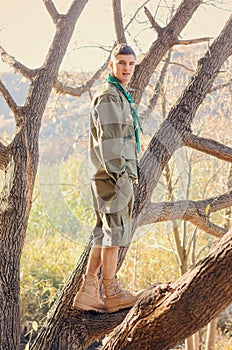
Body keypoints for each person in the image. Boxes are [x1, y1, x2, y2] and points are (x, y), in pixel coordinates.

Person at [73, 44, 143, 313]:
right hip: (112, 176)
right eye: (121, 62)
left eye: (131, 64)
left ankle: (88, 291)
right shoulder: (109, 96)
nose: (126, 68)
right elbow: (110, 141)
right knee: (115, 233)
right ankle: (111, 292)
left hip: (111, 175)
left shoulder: (119, 95)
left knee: (105, 233)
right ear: (110, 65)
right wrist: (121, 175)